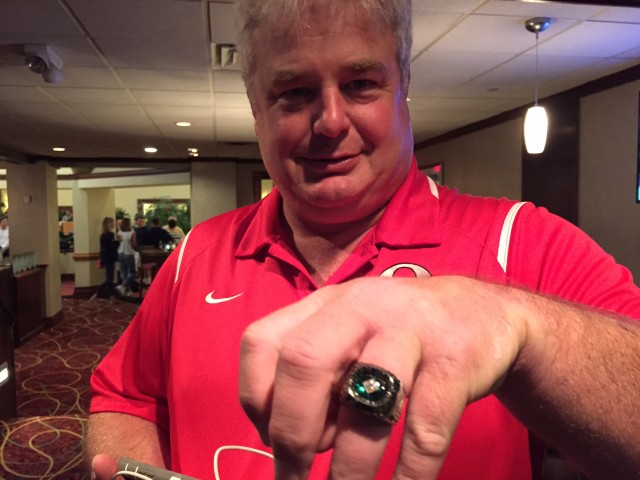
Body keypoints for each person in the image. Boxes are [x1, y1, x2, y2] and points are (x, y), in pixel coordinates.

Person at [86, 1, 640, 479]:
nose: (329, 120)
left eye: (360, 84)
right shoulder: (194, 256)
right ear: (255, 108)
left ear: (403, 88)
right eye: (294, 92)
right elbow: (124, 398)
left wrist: (519, 325)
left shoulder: (523, 240)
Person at [97, 217, 119, 299]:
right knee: (110, 277)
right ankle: (101, 291)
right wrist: (118, 242)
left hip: (105, 256)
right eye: (112, 223)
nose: (114, 224)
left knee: (109, 275)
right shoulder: (110, 234)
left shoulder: (103, 235)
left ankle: (108, 293)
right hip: (110, 257)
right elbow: (112, 246)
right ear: (109, 224)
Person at [115, 217, 137, 296]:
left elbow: (118, 242)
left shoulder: (119, 232)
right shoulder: (132, 233)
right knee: (132, 272)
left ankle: (126, 291)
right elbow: (133, 244)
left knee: (124, 273)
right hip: (129, 254)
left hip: (120, 254)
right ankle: (123, 286)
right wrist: (137, 248)